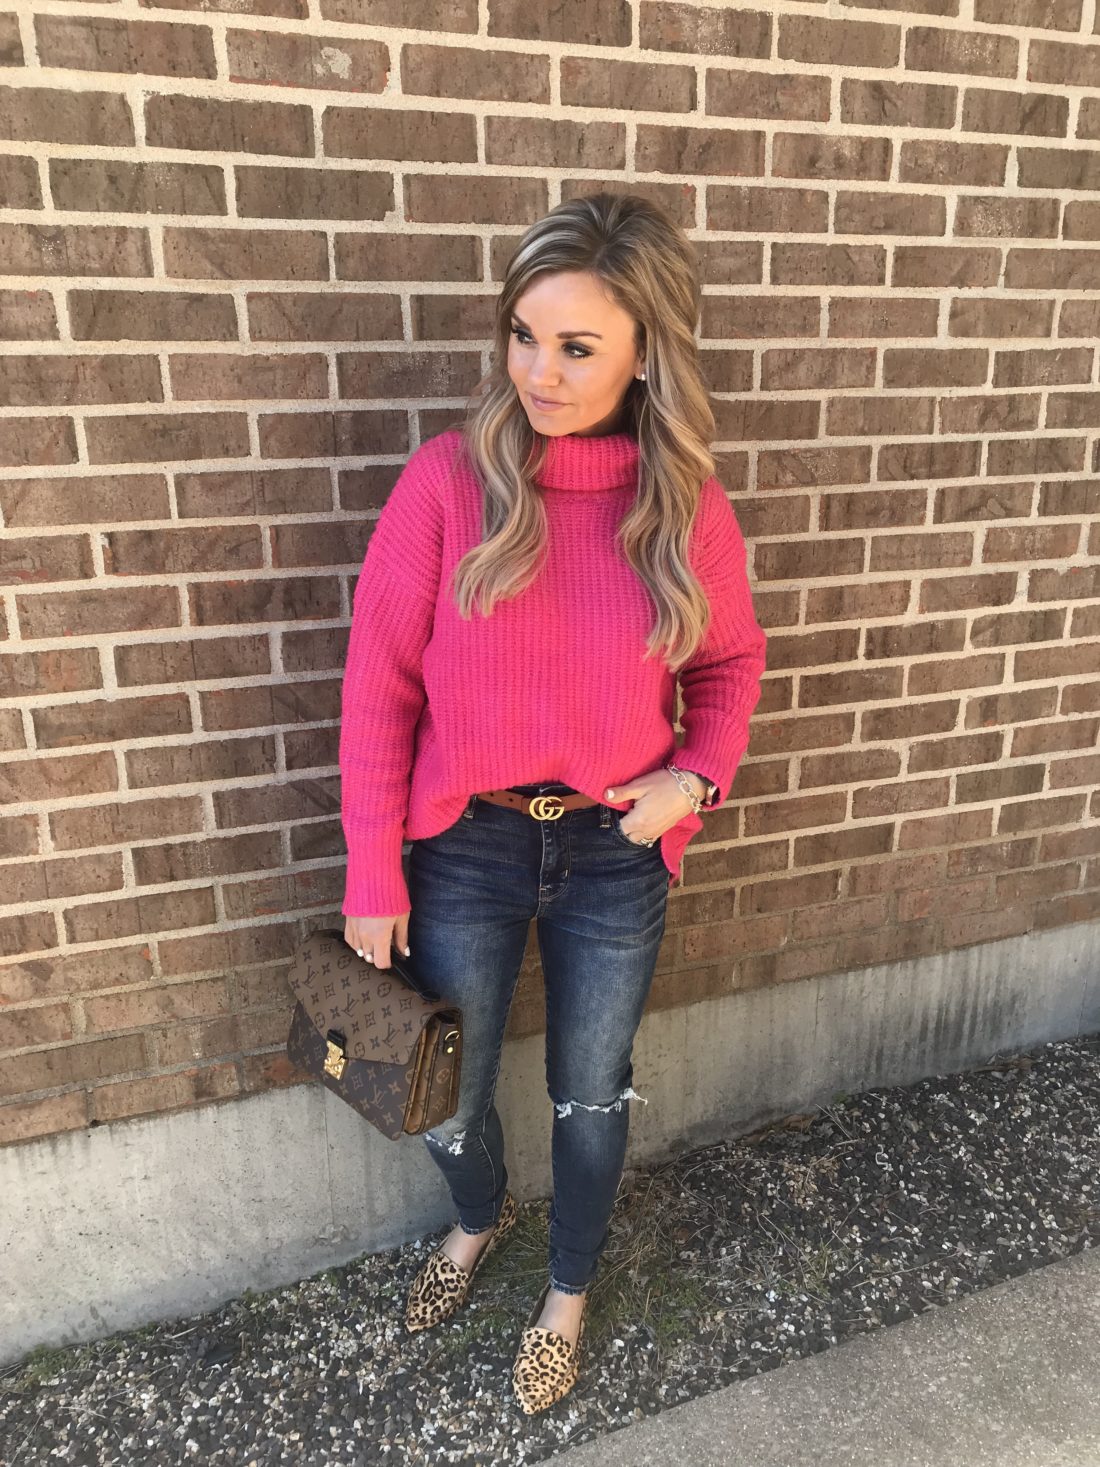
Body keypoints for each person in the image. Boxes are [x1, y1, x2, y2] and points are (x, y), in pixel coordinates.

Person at [339, 191, 767, 1413]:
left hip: (614, 851)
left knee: (589, 1089)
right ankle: (477, 1222)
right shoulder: (445, 482)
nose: (537, 369)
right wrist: (373, 869)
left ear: (645, 355)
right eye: (523, 335)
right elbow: (377, 690)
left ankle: (565, 1291)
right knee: (442, 1095)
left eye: (576, 346)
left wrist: (690, 778)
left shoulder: (681, 504)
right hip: (460, 846)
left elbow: (728, 668)